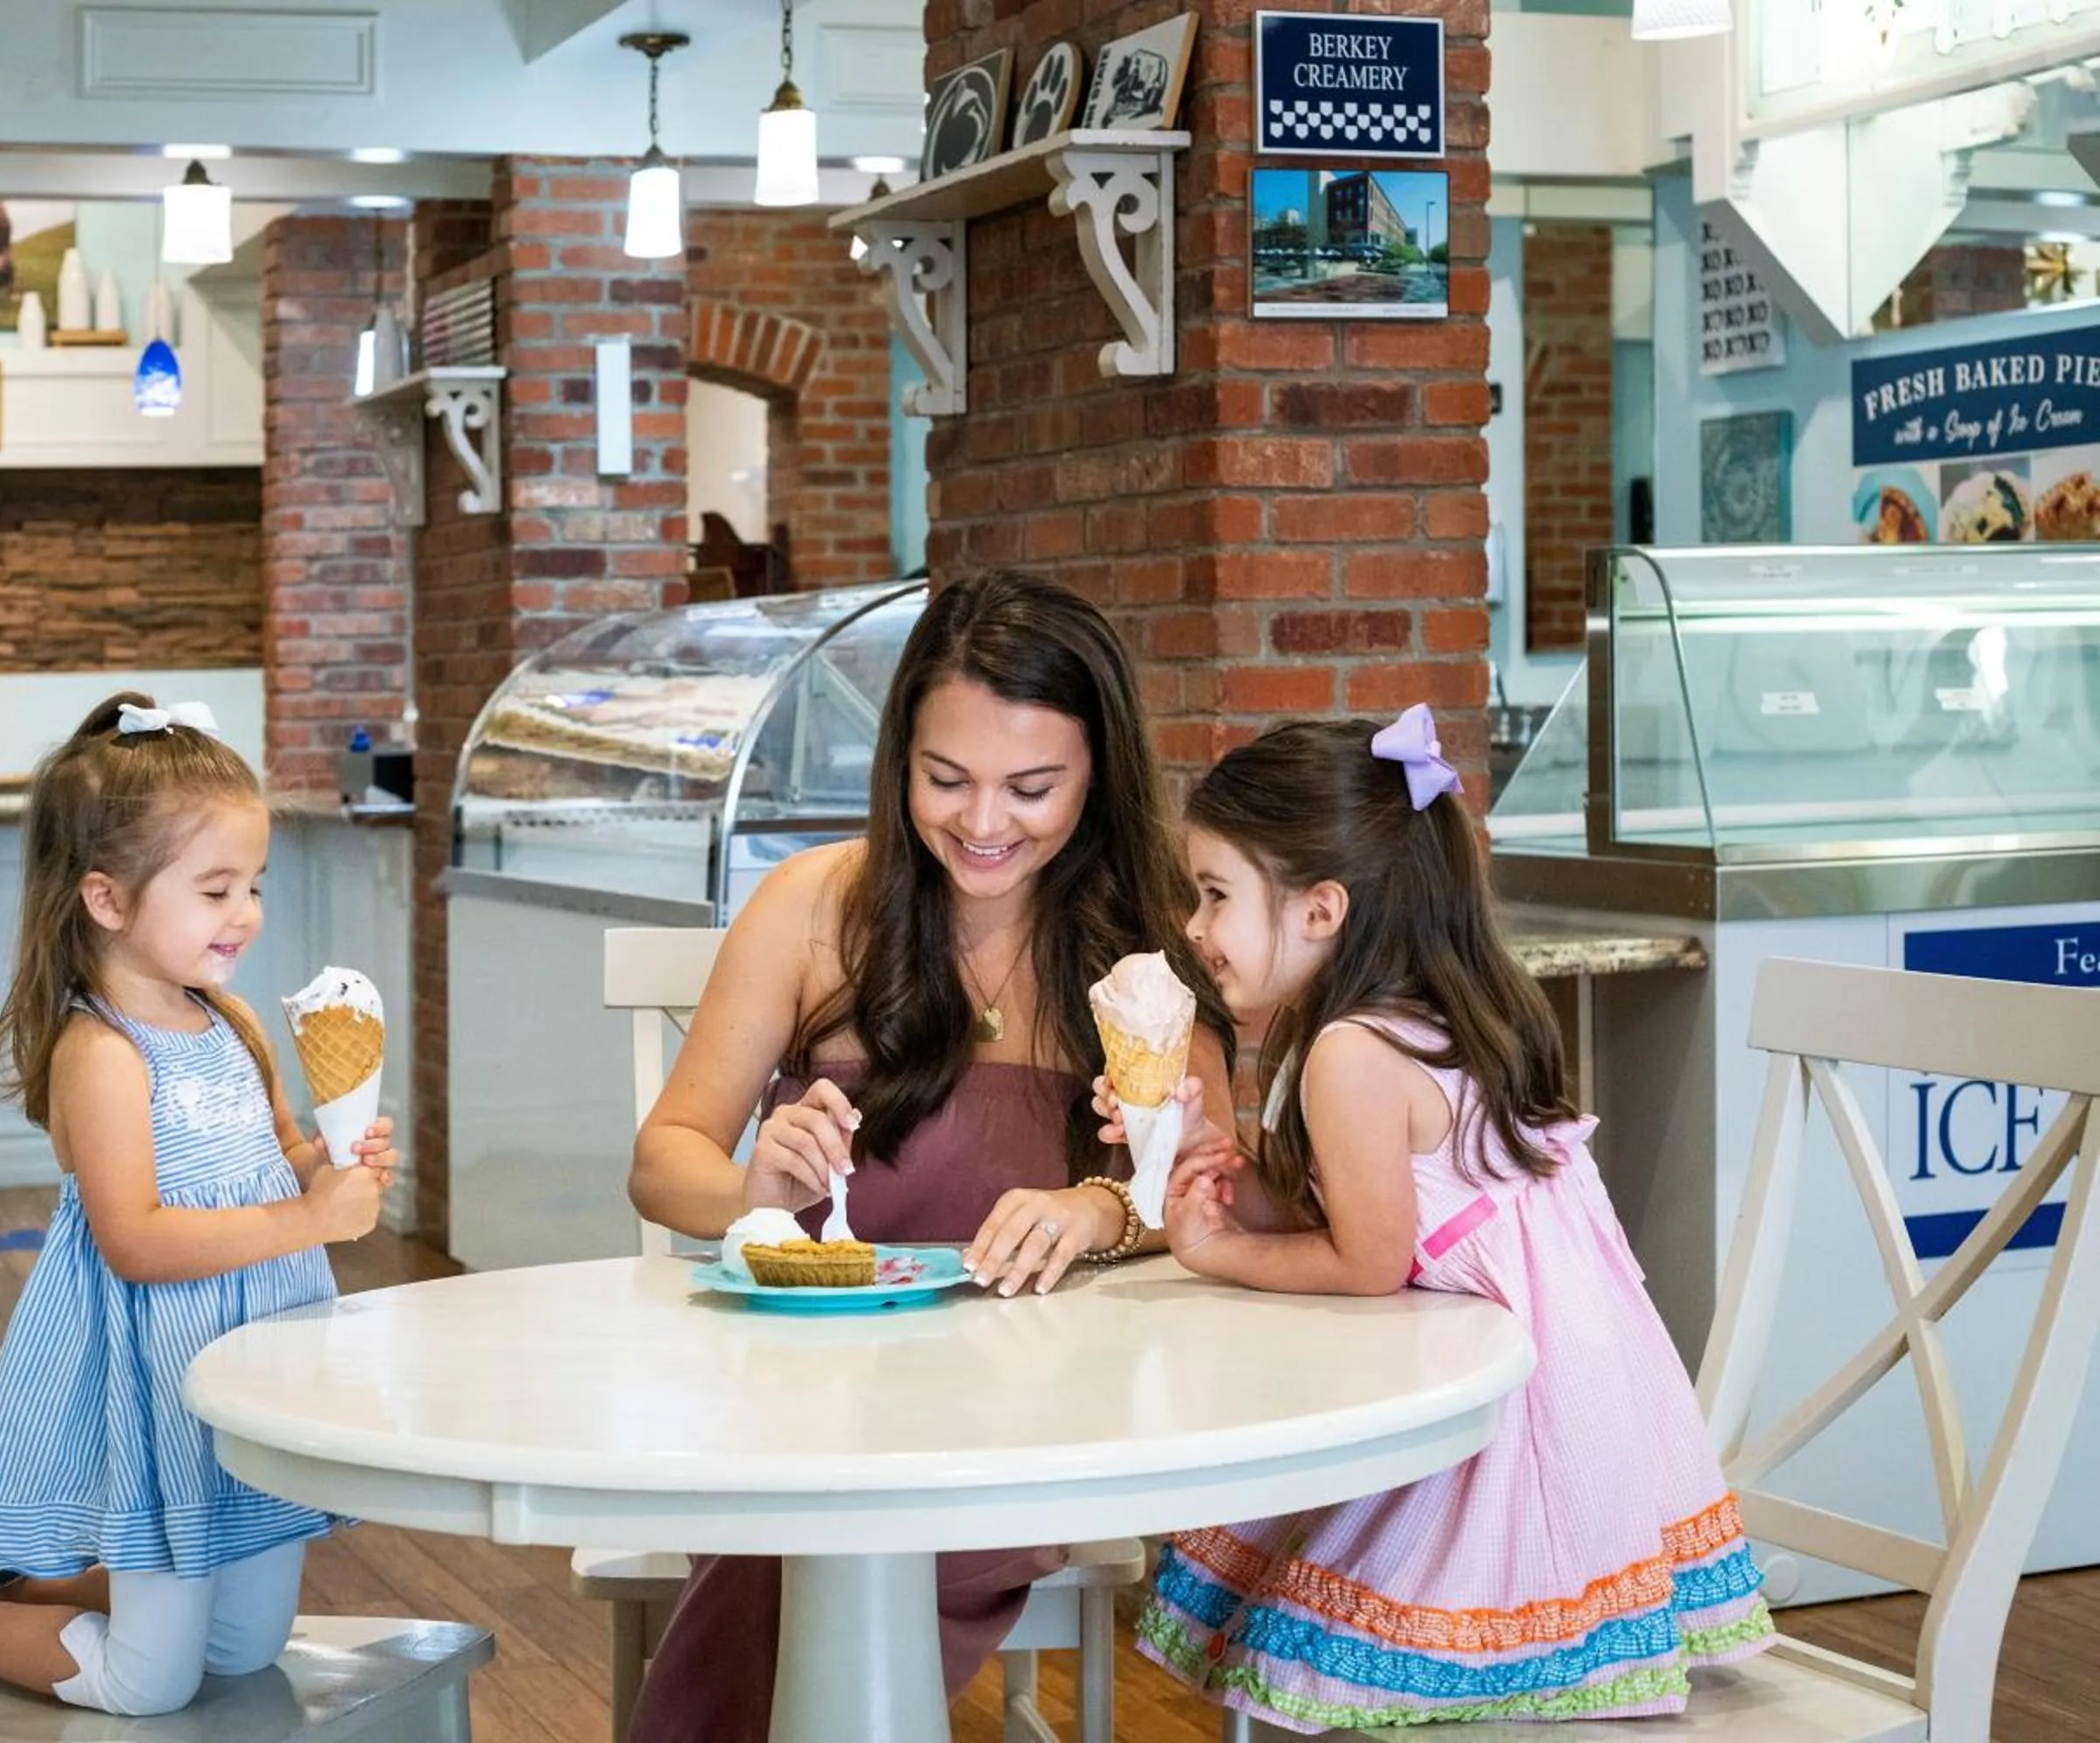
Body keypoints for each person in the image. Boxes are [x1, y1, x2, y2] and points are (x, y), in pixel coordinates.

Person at [625, 570, 1233, 1742]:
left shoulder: (1145, 949)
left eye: (1033, 787)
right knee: (809, 1530)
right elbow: (662, 1162)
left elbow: (1201, 1190)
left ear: (1098, 773)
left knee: (852, 1543)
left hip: (1026, 1408)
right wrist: (755, 1183)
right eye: (945, 780)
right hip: (803, 1397)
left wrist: (1098, 1208)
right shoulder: (818, 908)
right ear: (899, 757)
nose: (984, 822)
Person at [1124, 705, 1774, 1732]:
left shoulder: (1350, 1050)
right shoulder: (1418, 1014)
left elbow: (1373, 1257)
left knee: (1316, 1626)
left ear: (1321, 908)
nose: (1194, 926)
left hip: (1510, 1436)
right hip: (1582, 1406)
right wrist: (1228, 1175)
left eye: (1214, 894)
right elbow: (1381, 1211)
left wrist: (1223, 1248)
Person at [0, 692, 397, 1717]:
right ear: (108, 898)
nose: (247, 914)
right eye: (215, 888)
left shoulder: (237, 1021)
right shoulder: (102, 1054)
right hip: (160, 1380)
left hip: (256, 1367)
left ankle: (29, 1579)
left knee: (246, 1646)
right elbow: (135, 1241)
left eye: (254, 884)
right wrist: (312, 1220)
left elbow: (287, 1155)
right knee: (151, 1681)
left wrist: (332, 1168)